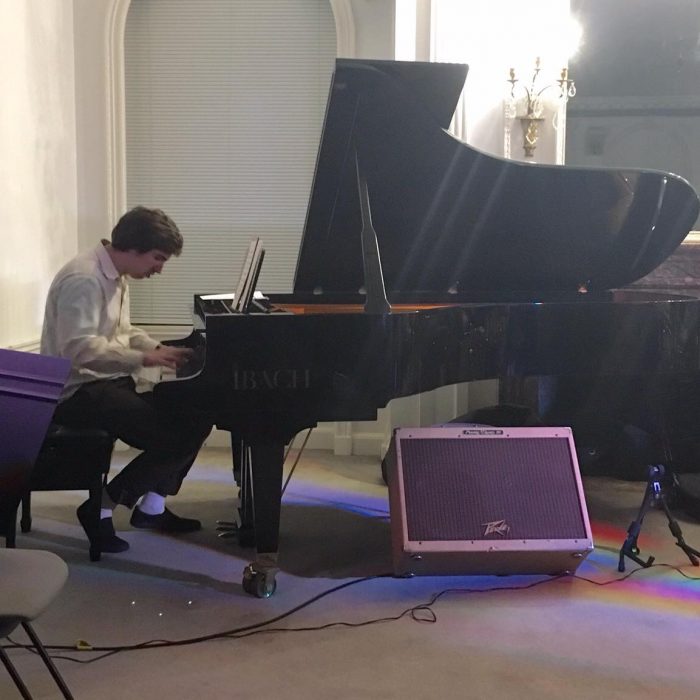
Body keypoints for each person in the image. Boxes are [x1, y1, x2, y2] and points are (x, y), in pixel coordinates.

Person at [41, 206, 211, 554]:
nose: (159, 268)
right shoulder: (84, 279)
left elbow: (123, 332)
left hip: (107, 382)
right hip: (76, 393)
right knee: (174, 439)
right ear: (133, 248)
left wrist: (158, 349)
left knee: (198, 414)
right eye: (158, 258)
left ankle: (152, 509)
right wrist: (144, 359)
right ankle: (101, 507)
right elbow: (79, 350)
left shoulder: (116, 274)